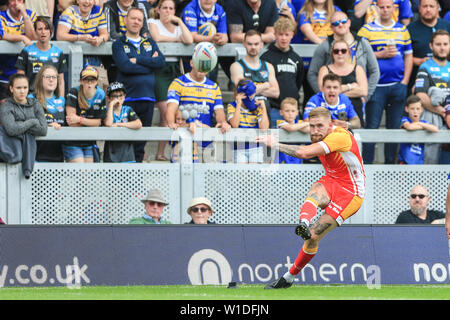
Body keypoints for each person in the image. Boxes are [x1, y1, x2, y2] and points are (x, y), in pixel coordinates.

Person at [255, 106, 365, 289]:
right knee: (315, 189)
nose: (315, 131)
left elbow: (304, 153)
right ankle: (303, 223)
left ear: (330, 124)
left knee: (313, 238)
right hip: (332, 181)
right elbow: (297, 128)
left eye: (319, 126)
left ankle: (288, 278)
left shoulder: (339, 136)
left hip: (351, 193)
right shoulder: (318, 132)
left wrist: (274, 144)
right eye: (311, 126)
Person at [358, 0, 413, 164]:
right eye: (382, 7)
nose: (385, 10)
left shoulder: (402, 29)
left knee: (394, 128)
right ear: (376, 8)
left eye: (389, 6)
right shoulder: (366, 29)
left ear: (394, 8)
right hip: (375, 87)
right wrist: (380, 55)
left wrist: (405, 81)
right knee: (372, 128)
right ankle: (366, 166)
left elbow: (408, 55)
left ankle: (391, 166)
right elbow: (358, 56)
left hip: (397, 85)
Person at [112, 7, 166, 163]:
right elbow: (125, 67)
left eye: (139, 20)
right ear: (125, 20)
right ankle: (121, 184)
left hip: (148, 98)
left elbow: (161, 62)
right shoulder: (119, 44)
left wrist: (139, 60)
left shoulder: (149, 42)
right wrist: (150, 64)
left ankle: (137, 184)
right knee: (124, 143)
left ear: (143, 23)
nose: (136, 22)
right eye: (133, 18)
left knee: (141, 144)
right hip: (127, 99)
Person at [166, 48, 231, 163]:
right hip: (184, 141)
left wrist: (223, 122)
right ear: (192, 63)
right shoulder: (178, 83)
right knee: (182, 179)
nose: (202, 68)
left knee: (205, 179)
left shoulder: (214, 87)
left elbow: (219, 112)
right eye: (199, 63)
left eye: (206, 65)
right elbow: (171, 108)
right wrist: (172, 125)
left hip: (205, 142)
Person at [148, 0, 193, 161]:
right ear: (158, 10)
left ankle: (161, 152)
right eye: (164, 8)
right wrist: (175, 40)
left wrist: (179, 21)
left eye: (171, 8)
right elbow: (157, 38)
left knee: (171, 114)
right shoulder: (152, 22)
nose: (167, 11)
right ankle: (158, 150)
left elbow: (188, 40)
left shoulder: (177, 27)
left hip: (175, 69)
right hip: (160, 69)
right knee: (167, 111)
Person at [307, 11, 380, 105]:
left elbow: (375, 71)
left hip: (357, 100)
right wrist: (323, 95)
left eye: (343, 21)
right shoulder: (325, 46)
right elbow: (312, 73)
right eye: (336, 23)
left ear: (349, 22)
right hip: (332, 102)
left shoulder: (363, 43)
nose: (340, 25)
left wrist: (366, 96)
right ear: (331, 27)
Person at [260, 17, 305, 128]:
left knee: (294, 144)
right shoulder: (266, 57)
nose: (284, 38)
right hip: (274, 109)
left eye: (287, 34)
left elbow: (298, 82)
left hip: (293, 111)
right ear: (275, 35)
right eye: (280, 34)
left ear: (292, 35)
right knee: (274, 144)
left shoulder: (296, 58)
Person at [0, 74, 47, 178]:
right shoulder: (6, 106)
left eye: (25, 87)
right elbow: (12, 130)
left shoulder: (36, 104)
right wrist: (33, 121)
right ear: (11, 89)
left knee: (27, 135)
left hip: (37, 152)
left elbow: (43, 130)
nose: (22, 91)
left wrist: (20, 125)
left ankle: (27, 169)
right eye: (18, 88)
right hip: (11, 152)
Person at [414, 30, 450, 164]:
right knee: (431, 158)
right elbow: (420, 95)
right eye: (438, 44)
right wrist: (443, 112)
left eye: (445, 44)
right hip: (433, 117)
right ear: (431, 46)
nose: (442, 48)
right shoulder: (425, 67)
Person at [297, 0, 341, 109]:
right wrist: (326, 45)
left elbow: (340, 30)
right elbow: (307, 31)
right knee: (309, 94)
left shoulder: (336, 11)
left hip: (329, 60)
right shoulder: (305, 12)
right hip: (309, 61)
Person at [57, 0, 109, 90]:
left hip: (93, 57)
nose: (87, 2)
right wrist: (80, 37)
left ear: (94, 2)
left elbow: (105, 34)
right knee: (72, 89)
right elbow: (60, 35)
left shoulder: (98, 11)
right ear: (77, 1)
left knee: (93, 89)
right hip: (70, 58)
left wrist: (100, 39)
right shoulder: (69, 11)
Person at [317, 39, 368, 126]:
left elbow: (363, 91)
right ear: (332, 54)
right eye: (336, 51)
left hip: (354, 113)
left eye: (343, 51)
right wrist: (350, 86)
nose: (340, 53)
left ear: (348, 53)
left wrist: (335, 92)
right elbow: (323, 91)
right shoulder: (324, 69)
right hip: (331, 114)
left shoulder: (358, 69)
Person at [63, 65, 107, 163]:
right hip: (72, 140)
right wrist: (90, 123)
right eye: (86, 80)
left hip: (88, 140)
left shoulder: (100, 94)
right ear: (81, 81)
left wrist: (80, 120)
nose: (89, 84)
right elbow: (71, 122)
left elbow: (98, 122)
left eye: (92, 80)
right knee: (80, 172)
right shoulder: (74, 92)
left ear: (97, 81)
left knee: (88, 175)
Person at [229, 30, 280, 112]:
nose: (253, 47)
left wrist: (252, 89)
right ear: (244, 44)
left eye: (256, 44)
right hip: (244, 114)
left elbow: (276, 92)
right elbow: (244, 91)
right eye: (249, 44)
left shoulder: (268, 66)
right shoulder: (236, 66)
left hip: (264, 113)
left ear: (261, 45)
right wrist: (266, 85)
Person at [15, 16, 67, 96]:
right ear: (35, 31)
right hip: (31, 97)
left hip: (52, 98)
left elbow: (61, 81)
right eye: (40, 29)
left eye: (46, 29)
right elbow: (20, 80)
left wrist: (61, 99)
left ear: (51, 31)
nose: (43, 32)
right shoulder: (26, 51)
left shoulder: (58, 52)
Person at [407, 0, 450, 93]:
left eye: (431, 6)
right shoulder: (410, 29)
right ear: (419, 9)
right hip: (417, 80)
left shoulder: (447, 26)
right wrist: (420, 61)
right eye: (424, 6)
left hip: (446, 80)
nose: (428, 9)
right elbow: (404, 57)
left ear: (438, 8)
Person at [227, 79, 270, 164]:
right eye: (249, 95)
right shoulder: (232, 105)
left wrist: (263, 108)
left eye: (252, 94)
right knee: (241, 175)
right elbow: (235, 124)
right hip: (239, 148)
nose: (251, 97)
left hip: (255, 147)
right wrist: (239, 104)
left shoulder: (257, 105)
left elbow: (264, 128)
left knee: (254, 175)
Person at [30, 65, 66, 162]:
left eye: (54, 77)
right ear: (40, 79)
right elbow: (26, 122)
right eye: (47, 77)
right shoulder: (31, 99)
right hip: (35, 157)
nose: (51, 80)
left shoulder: (62, 101)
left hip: (57, 158)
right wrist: (48, 125)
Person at [103, 81, 142, 163]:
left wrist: (119, 124)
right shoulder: (106, 111)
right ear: (108, 98)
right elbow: (108, 123)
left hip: (127, 154)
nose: (118, 99)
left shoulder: (128, 109)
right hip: (111, 155)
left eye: (120, 95)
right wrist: (110, 105)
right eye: (114, 96)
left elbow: (138, 124)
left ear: (124, 96)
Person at [398, 95, 439, 164]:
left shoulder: (423, 122)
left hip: (419, 163)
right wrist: (423, 126)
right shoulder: (405, 119)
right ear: (406, 109)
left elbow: (435, 129)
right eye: (412, 108)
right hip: (405, 162)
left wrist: (421, 124)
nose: (415, 111)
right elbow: (409, 127)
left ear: (421, 109)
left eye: (417, 109)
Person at [276, 97, 310, 164]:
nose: (290, 114)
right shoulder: (280, 122)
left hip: (296, 154)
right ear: (281, 112)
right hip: (283, 153)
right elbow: (291, 128)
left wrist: (297, 126)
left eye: (293, 111)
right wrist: (307, 123)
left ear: (297, 112)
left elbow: (308, 130)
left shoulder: (299, 122)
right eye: (287, 111)